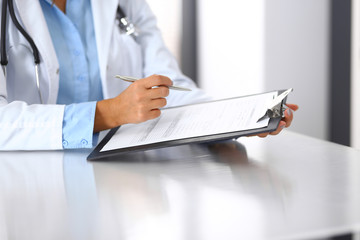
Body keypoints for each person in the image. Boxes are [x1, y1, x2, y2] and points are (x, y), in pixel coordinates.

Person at [0, 0, 298, 150]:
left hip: (119, 180)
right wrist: (107, 113)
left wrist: (236, 119)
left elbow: (169, 84)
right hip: (30, 180)